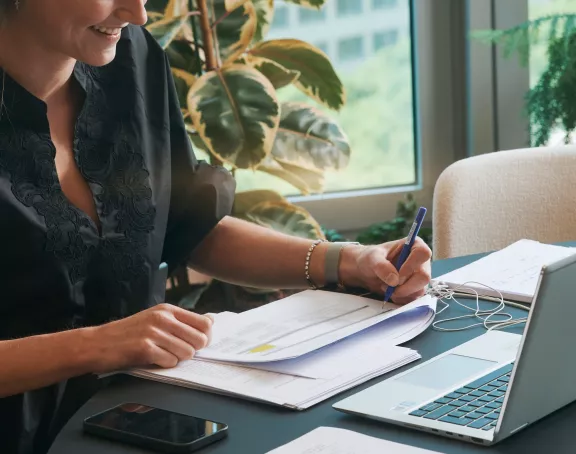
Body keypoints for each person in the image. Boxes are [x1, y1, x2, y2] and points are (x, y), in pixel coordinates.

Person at [0, 0, 433, 453]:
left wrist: (346, 261)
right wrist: (98, 346)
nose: (137, 13)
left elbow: (191, 227)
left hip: (148, 421)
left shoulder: (130, 59)